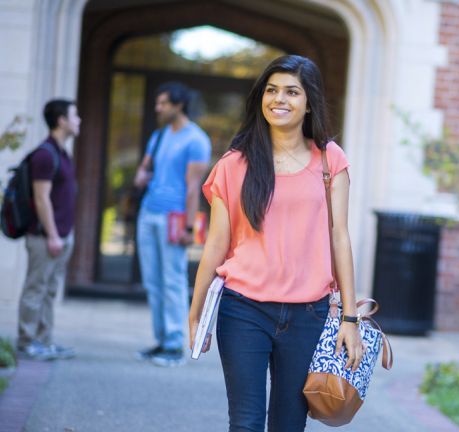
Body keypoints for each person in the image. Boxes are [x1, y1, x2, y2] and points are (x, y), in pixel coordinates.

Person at [189, 54, 363, 431]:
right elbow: (216, 243)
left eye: (291, 92)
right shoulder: (234, 165)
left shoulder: (330, 159)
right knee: (246, 422)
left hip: (309, 314)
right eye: (271, 90)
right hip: (244, 311)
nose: (278, 99)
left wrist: (349, 317)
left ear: (309, 102)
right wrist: (196, 313)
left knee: (289, 423)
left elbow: (340, 237)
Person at [133, 82, 211, 367]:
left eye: (163, 103)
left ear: (178, 105)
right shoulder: (158, 136)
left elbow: (194, 187)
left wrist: (189, 228)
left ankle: (175, 345)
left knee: (173, 281)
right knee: (153, 282)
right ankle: (161, 340)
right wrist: (142, 175)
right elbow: (145, 167)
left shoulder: (196, 140)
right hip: (148, 213)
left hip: (174, 218)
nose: (158, 108)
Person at [17, 99, 80, 361]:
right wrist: (53, 235)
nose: (79, 120)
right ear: (61, 120)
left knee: (49, 290)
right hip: (45, 237)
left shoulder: (61, 152)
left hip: (61, 235)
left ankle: (43, 340)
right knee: (36, 289)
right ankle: (26, 342)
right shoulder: (45, 154)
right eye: (75, 116)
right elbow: (41, 199)